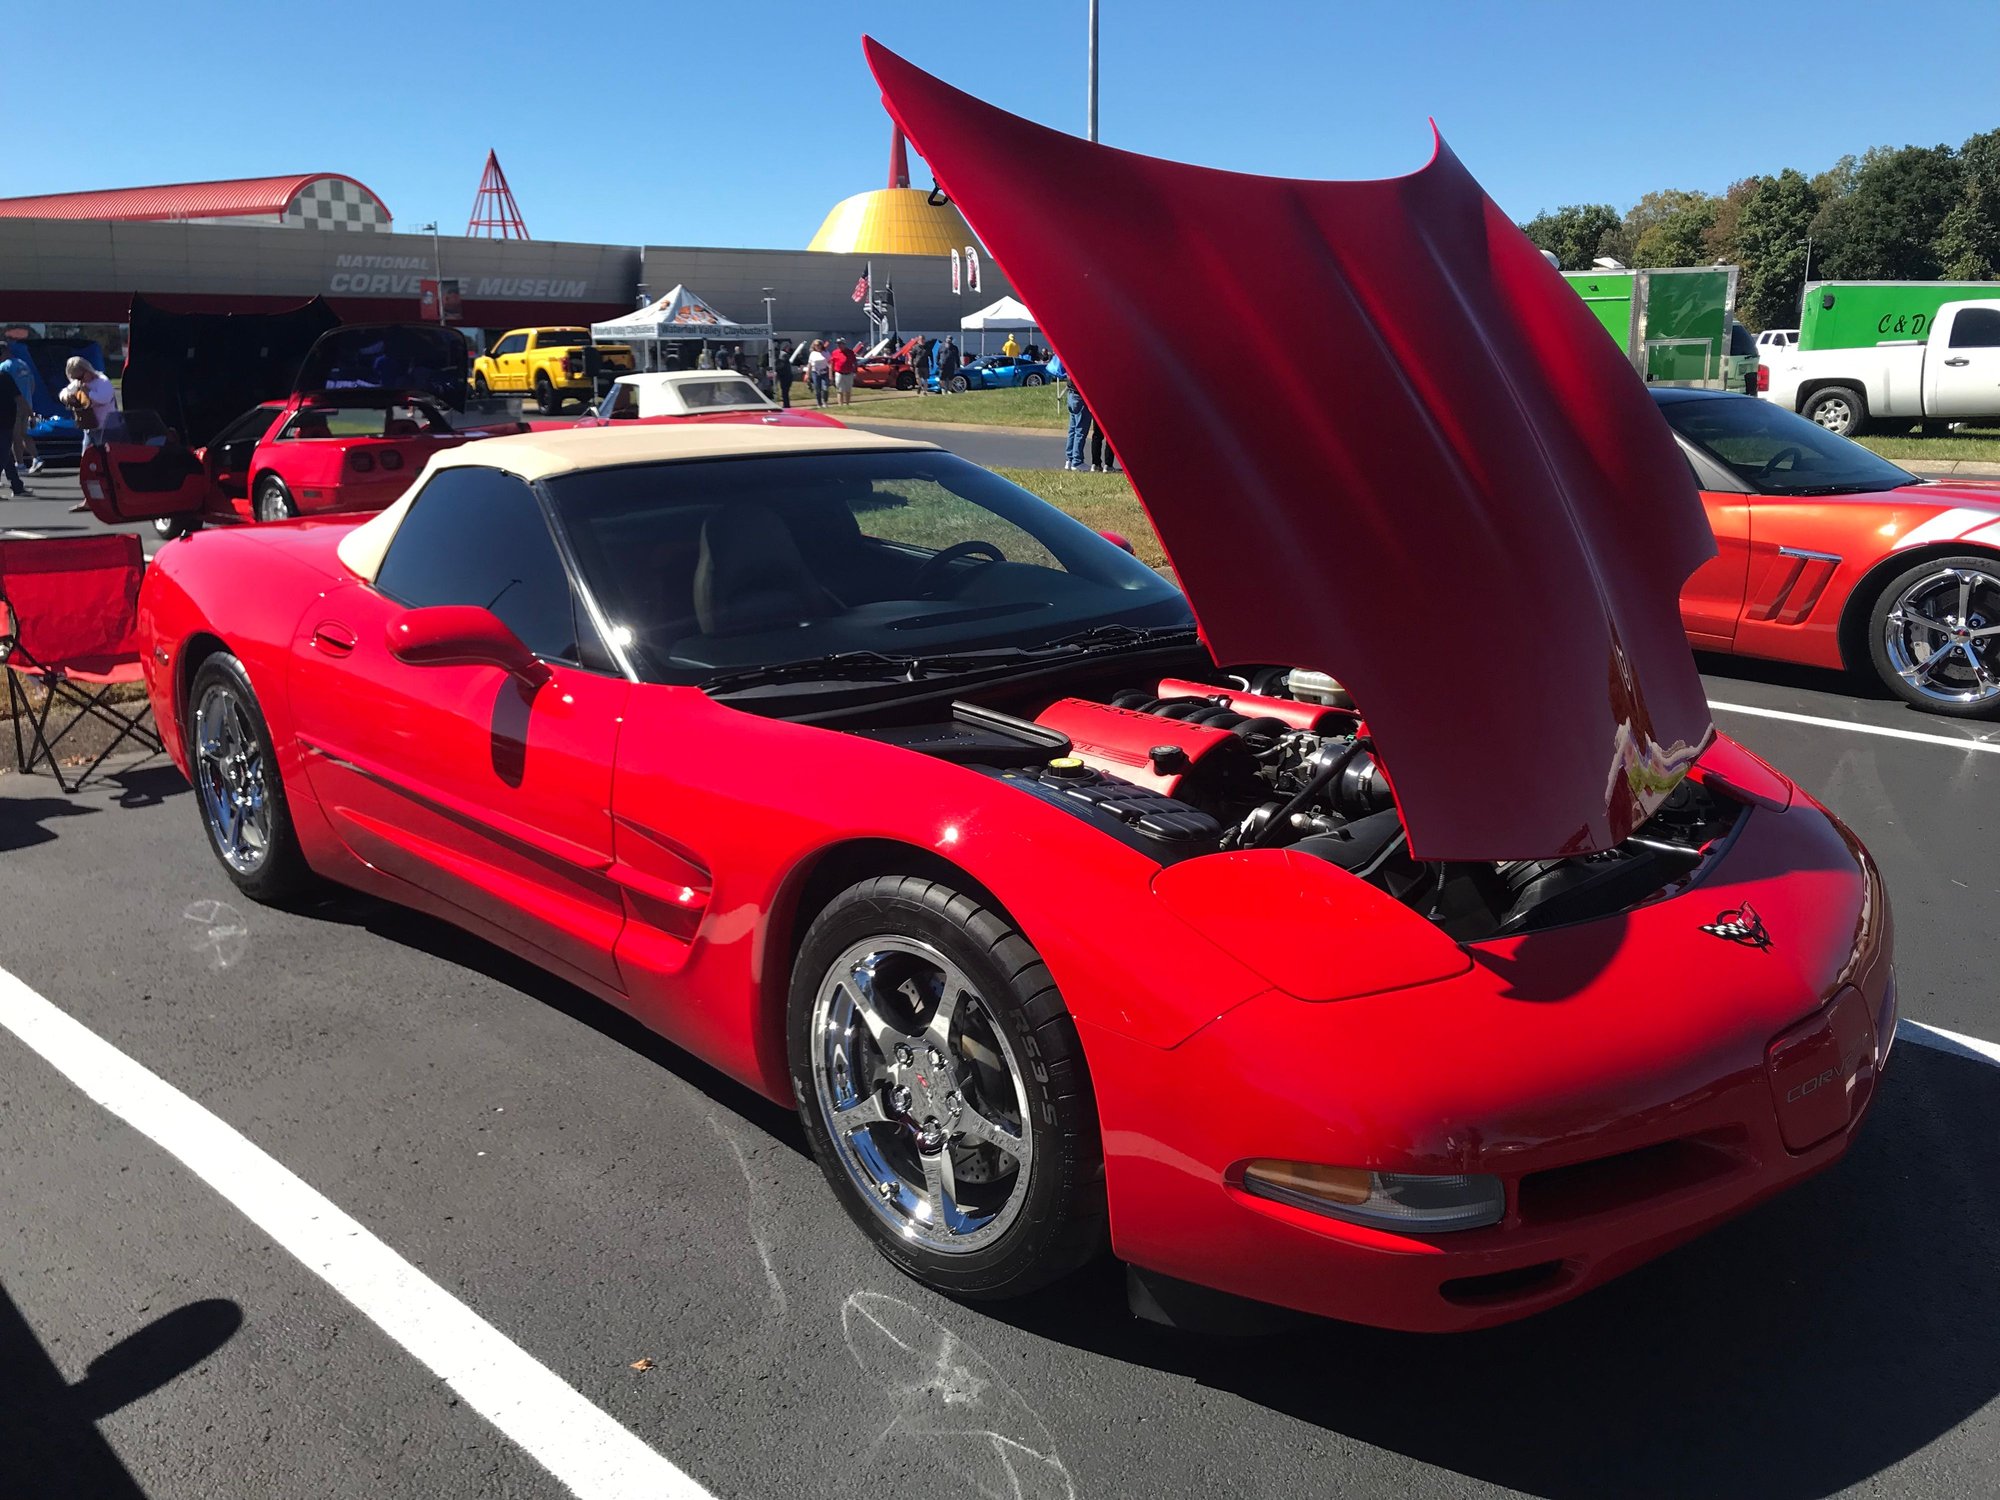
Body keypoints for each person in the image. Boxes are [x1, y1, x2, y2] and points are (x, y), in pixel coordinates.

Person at [61, 356, 117, 449]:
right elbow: (64, 392)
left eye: (80, 377)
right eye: (75, 379)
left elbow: (104, 398)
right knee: (86, 456)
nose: (79, 381)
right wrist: (66, 397)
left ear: (87, 371)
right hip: (89, 427)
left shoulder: (102, 381)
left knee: (105, 456)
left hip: (106, 428)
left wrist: (88, 393)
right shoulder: (79, 383)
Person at [1, 344, 40, 475]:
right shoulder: (23, 364)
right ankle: (36, 458)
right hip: (26, 404)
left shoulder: (4, 367)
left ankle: (20, 464)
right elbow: (32, 384)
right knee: (24, 434)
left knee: (15, 436)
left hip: (12, 406)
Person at [0, 367, 31, 497]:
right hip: (5, 421)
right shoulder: (4, 376)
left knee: (6, 455)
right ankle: (17, 485)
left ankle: (16, 485)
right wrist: (30, 414)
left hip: (5, 421)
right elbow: (18, 397)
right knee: (3, 454)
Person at [828, 338, 856, 406]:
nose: (839, 345)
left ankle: (847, 404)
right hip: (839, 373)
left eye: (840, 343)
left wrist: (855, 372)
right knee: (839, 390)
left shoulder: (850, 352)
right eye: (838, 344)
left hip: (849, 373)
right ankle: (840, 404)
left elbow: (854, 363)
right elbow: (831, 364)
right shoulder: (835, 352)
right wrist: (830, 375)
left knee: (848, 390)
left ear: (844, 344)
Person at [806, 339, 830, 407]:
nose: (818, 346)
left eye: (819, 345)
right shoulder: (812, 354)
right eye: (816, 345)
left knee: (825, 388)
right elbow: (810, 364)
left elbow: (830, 364)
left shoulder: (826, 353)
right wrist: (807, 374)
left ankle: (825, 402)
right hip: (815, 373)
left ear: (821, 345)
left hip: (824, 372)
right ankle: (819, 403)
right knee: (817, 389)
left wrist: (830, 374)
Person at [775, 340, 795, 407]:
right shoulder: (784, 354)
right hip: (785, 375)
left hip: (785, 376)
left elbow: (781, 365)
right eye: (787, 347)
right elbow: (782, 365)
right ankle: (786, 404)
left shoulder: (783, 354)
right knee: (785, 391)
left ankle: (786, 405)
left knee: (785, 391)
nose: (788, 348)